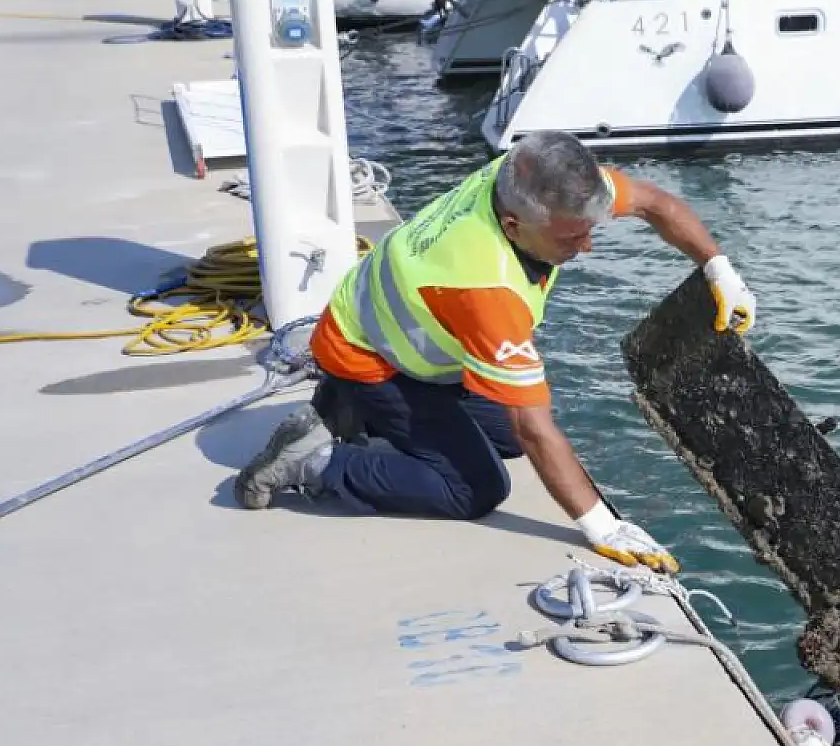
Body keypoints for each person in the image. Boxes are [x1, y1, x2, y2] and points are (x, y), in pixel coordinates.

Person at [233, 130, 759, 574]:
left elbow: (654, 203)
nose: (587, 248)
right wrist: (603, 526)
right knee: (476, 487)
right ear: (514, 227)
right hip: (367, 356)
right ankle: (316, 462)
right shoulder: (487, 289)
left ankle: (352, 413)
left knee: (506, 439)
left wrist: (718, 269)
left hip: (409, 342)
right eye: (572, 238)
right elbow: (535, 425)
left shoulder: (526, 177)